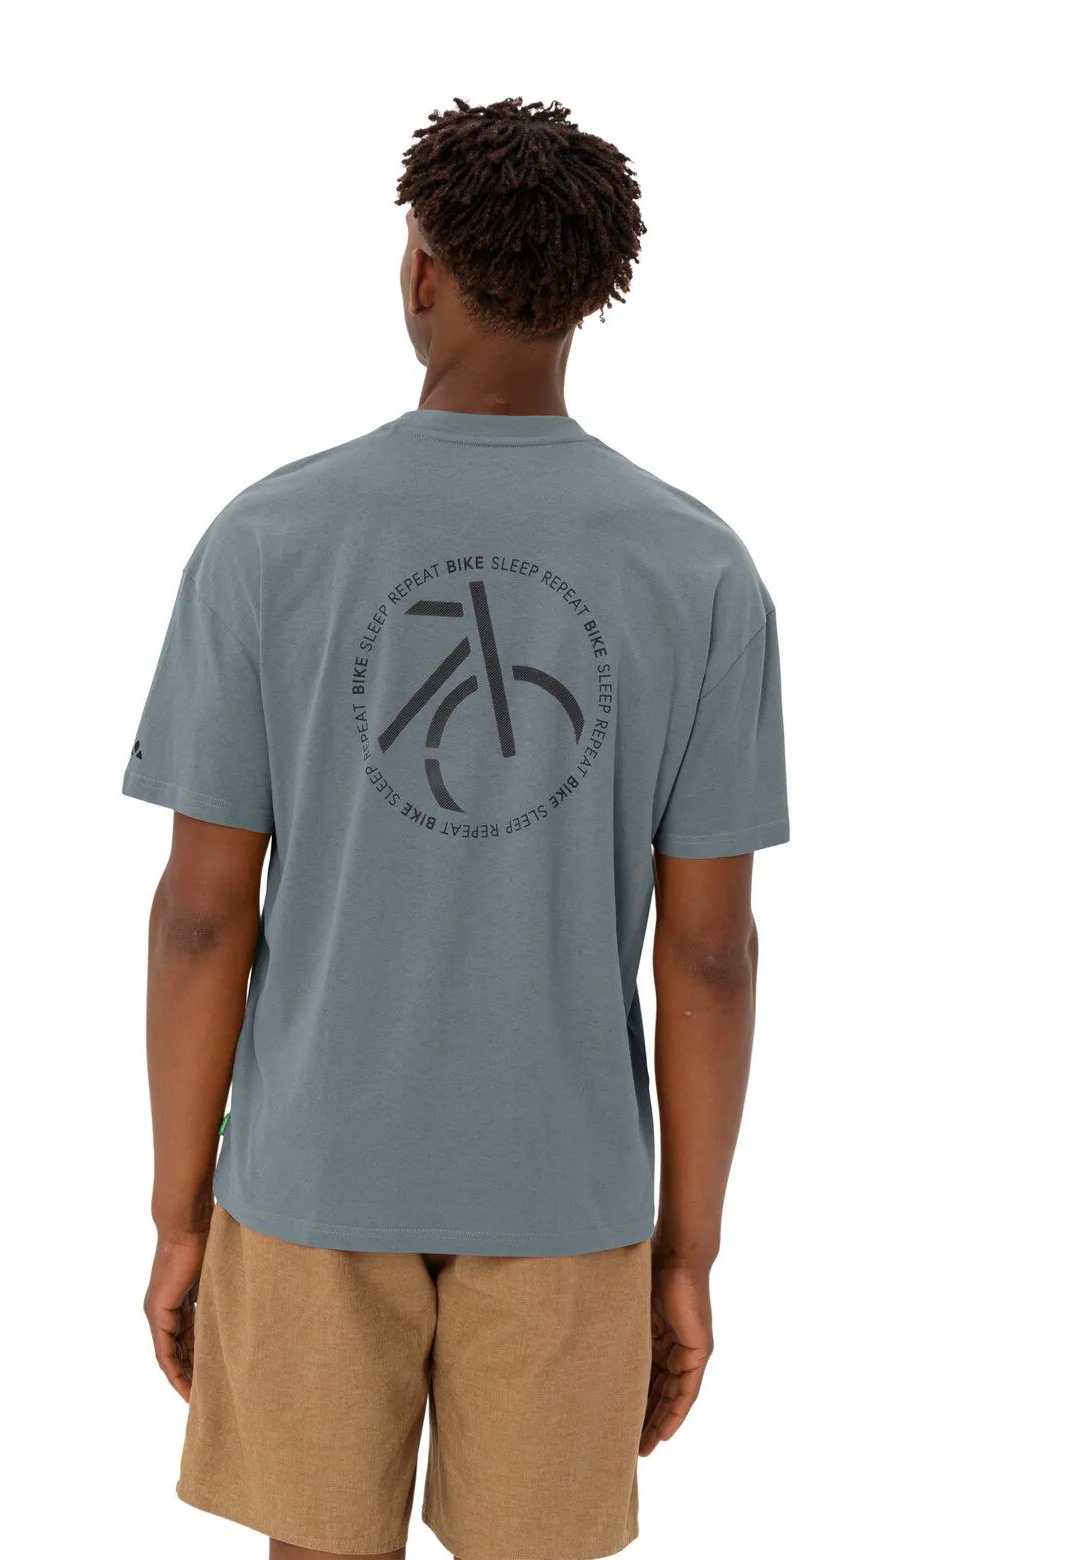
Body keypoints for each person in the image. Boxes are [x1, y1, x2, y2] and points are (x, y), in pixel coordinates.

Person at [123, 96, 788, 1560]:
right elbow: (711, 955)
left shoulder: (270, 540)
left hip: (311, 1177)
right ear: (594, 295)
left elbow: (201, 918)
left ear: (421, 268)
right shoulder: (699, 570)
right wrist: (687, 1250)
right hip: (568, 1193)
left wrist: (181, 1213)